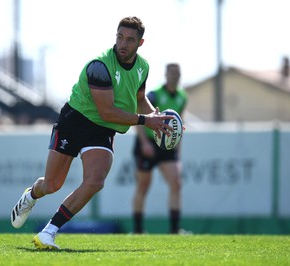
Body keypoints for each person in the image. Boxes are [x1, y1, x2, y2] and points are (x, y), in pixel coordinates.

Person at [11, 16, 175, 250]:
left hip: (103, 129)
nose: (123, 44)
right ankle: (31, 195)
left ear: (140, 43)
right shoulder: (99, 66)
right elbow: (107, 111)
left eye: (130, 39)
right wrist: (146, 120)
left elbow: (139, 100)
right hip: (75, 120)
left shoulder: (143, 67)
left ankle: (48, 232)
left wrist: (157, 119)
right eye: (120, 37)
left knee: (96, 181)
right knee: (52, 185)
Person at [132, 63, 188, 234]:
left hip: (167, 147)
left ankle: (174, 229)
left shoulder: (182, 97)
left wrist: (178, 147)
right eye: (171, 72)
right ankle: (138, 230)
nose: (174, 75)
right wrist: (144, 143)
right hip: (148, 144)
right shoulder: (154, 94)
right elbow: (140, 117)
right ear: (166, 74)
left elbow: (180, 124)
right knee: (143, 185)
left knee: (176, 183)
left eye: (177, 72)